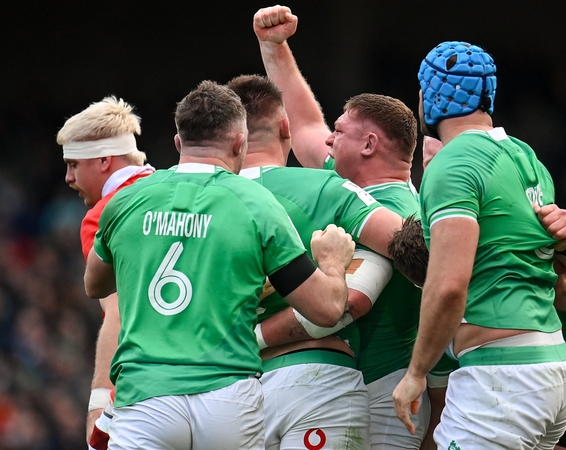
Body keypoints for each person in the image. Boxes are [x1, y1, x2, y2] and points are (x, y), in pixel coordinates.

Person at [83, 80, 355, 450]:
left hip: (145, 395)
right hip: (228, 398)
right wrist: (334, 263)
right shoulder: (258, 204)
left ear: (179, 143)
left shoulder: (127, 200)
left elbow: (94, 285)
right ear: (240, 143)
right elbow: (325, 309)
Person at [253, 6, 441, 447]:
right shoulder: (349, 190)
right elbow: (301, 124)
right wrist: (274, 47)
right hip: (361, 382)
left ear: (370, 144)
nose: (328, 141)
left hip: (383, 389)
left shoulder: (392, 212)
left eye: (339, 131)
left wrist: (245, 340)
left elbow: (340, 306)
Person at [391, 40, 566, 450]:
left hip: (502, 380)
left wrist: (415, 374)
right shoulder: (524, 154)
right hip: (552, 366)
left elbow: (448, 285)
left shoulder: (453, 162)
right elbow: (558, 254)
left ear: (427, 97)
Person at [226, 73, 406, 449]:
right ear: (284, 128)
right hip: (315, 379)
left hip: (221, 388)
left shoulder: (194, 203)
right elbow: (415, 244)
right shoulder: (328, 188)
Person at [389, 217, 566, 450]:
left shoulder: (516, 258)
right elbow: (442, 400)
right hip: (564, 386)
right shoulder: (440, 320)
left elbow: (564, 261)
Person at [56, 96, 155, 448]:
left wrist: (99, 402)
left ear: (103, 160)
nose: (68, 178)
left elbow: (118, 311)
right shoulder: (174, 192)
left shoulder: (105, 214)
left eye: (73, 165)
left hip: (149, 389)